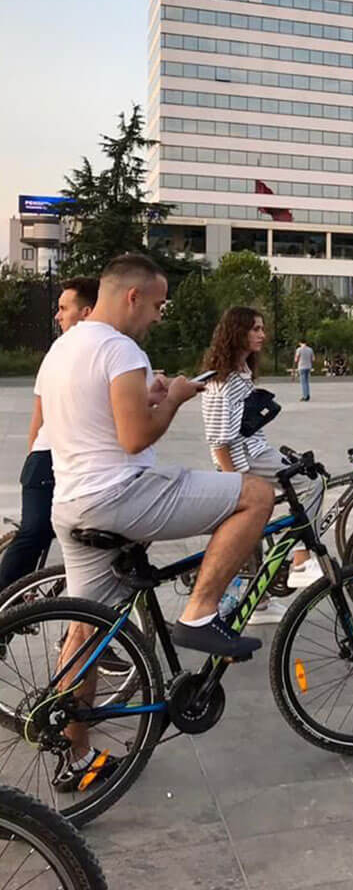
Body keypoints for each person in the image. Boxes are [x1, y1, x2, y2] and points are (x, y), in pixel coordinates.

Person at [38, 254, 273, 785]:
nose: (159, 316)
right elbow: (136, 438)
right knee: (255, 495)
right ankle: (199, 613)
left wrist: (149, 395)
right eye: (159, 304)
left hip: (73, 501)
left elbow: (94, 416)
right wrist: (176, 399)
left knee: (86, 629)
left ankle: (73, 756)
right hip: (122, 494)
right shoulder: (120, 349)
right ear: (132, 297)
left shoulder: (64, 347)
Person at [200, 307, 324, 624]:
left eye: (262, 328)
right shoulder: (222, 379)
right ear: (237, 331)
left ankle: (260, 602)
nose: (262, 334)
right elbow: (218, 439)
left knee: (250, 530)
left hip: (254, 452)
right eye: (255, 328)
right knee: (311, 483)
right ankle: (299, 560)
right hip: (245, 460)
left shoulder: (240, 371)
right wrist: (236, 483)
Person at [0, 278, 98, 591]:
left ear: (86, 312)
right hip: (47, 460)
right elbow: (38, 416)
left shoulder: (101, 348)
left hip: (76, 462)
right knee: (36, 531)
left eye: (62, 308)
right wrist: (34, 458)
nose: (57, 316)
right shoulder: (59, 351)